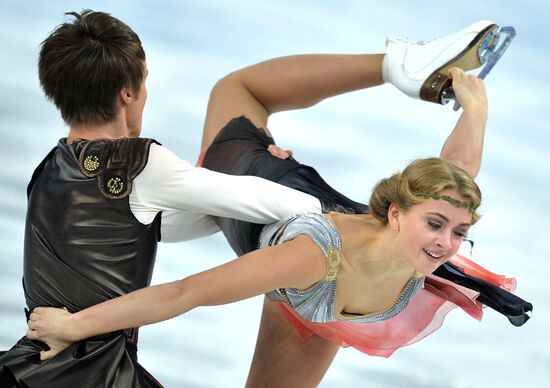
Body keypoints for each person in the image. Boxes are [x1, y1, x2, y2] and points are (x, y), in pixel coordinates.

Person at [25, 20, 531, 387]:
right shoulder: (317, 251)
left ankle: (397, 68)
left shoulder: (432, 231)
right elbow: (187, 292)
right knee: (238, 91)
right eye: (439, 226)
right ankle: (396, 65)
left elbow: (458, 175)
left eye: (458, 232)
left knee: (238, 93)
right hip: (276, 199)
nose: (448, 242)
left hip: (310, 255)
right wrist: (75, 325)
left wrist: (477, 106)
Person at [0, 9, 329, 388]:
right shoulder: (138, 164)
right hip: (97, 376)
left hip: (32, 369)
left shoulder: (49, 171)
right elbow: (288, 204)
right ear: (127, 92)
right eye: (144, 81)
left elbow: (148, 228)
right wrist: (278, 176)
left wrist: (232, 202)